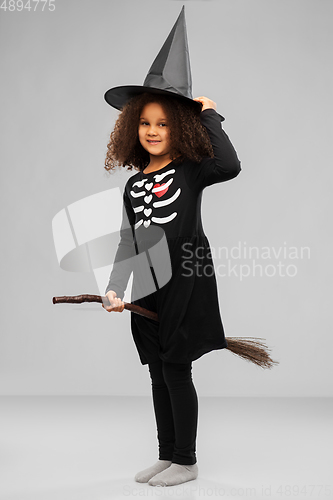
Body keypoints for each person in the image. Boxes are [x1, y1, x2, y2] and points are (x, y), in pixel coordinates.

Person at [101, 91, 241, 487]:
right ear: (133, 128)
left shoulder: (192, 171)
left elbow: (230, 165)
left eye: (163, 123)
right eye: (145, 123)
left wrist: (209, 115)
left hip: (185, 282)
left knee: (177, 368)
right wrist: (114, 288)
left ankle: (187, 459)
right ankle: (167, 454)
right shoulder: (133, 186)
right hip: (147, 285)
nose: (153, 131)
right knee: (158, 372)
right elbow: (128, 241)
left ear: (179, 128)